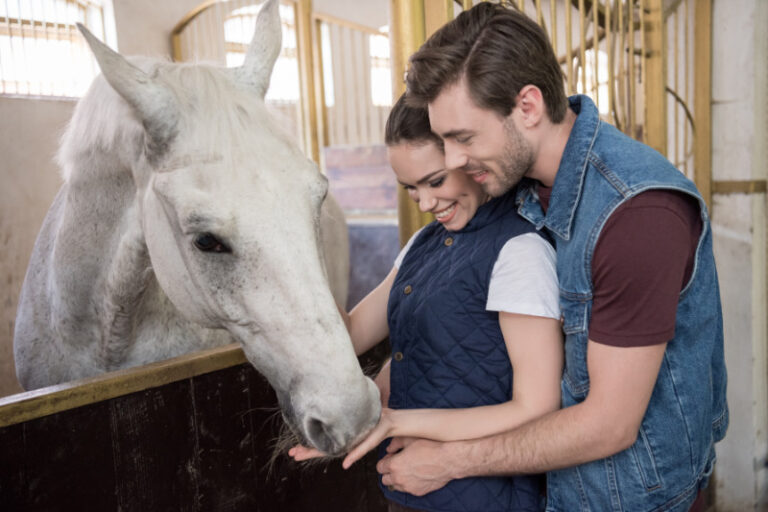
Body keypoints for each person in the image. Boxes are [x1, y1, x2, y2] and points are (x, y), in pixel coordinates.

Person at [374, 3, 728, 512]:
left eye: (463, 138)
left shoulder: (638, 215)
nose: (451, 160)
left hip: (629, 499)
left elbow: (608, 425)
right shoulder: (510, 182)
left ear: (528, 107)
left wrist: (450, 459)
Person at [290, 93, 564, 512]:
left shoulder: (519, 249)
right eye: (411, 189)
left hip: (481, 497)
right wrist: (296, 254)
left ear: (468, 159)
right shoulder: (425, 242)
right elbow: (351, 334)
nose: (426, 203)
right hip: (410, 485)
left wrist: (396, 422)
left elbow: (537, 407)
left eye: (435, 181)